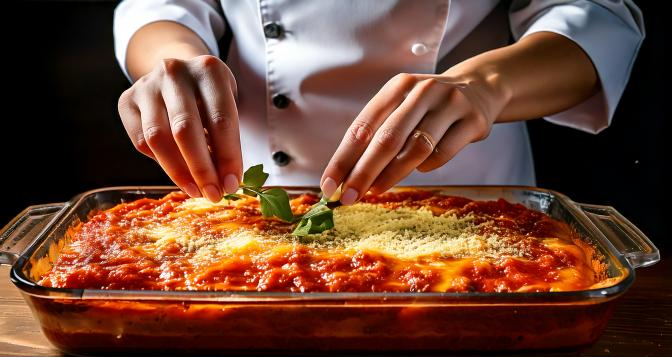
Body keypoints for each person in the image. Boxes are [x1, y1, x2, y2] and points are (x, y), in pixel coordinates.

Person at [114, 0, 644, 204]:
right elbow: (162, 5)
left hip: (466, 191)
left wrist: (485, 85)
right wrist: (174, 56)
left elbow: (594, 17)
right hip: (250, 197)